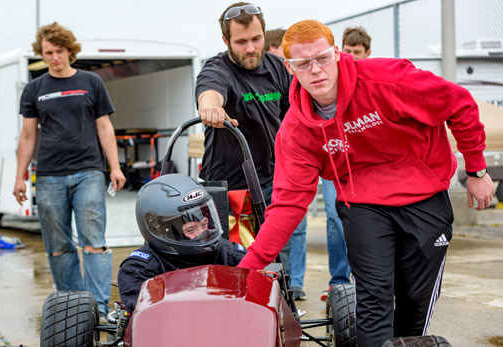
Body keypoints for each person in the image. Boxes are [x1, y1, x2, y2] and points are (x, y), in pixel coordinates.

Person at [238, 19, 495, 346]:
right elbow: (288, 204)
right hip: (362, 204)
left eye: (322, 58)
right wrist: (247, 268)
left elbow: (458, 102)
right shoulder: (296, 132)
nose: (316, 70)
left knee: (415, 302)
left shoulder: (388, 80)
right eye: (304, 64)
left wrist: (476, 170)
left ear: (337, 54)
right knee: (374, 301)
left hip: (424, 196)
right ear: (290, 68)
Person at [13, 22, 126, 320]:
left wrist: (114, 166)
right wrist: (20, 176)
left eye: (59, 51)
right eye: (48, 52)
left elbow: (104, 126)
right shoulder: (34, 89)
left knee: (93, 241)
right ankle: (74, 308)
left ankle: (99, 308)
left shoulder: (91, 82)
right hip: (49, 175)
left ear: (70, 51)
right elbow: (27, 136)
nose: (54, 57)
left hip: (88, 171)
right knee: (58, 247)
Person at [195, 2, 307, 301]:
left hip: (273, 182)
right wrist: (210, 107)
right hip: (232, 190)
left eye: (256, 39)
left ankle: (277, 317)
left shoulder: (277, 70)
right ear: (226, 41)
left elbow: (295, 116)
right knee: (237, 260)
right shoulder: (217, 68)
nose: (250, 48)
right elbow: (209, 90)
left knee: (275, 260)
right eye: (241, 42)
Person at [266, 28, 351, 302]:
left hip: (330, 154)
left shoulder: (315, 77)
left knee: (336, 216)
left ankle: (333, 282)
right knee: (285, 221)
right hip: (291, 158)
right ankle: (285, 282)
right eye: (298, 63)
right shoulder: (272, 80)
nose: (310, 69)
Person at [117, 174, 246, 313]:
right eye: (191, 229)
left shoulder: (227, 253)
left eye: (204, 225)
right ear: (159, 230)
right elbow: (147, 317)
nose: (202, 234)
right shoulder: (140, 269)